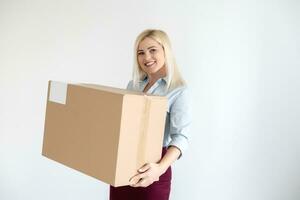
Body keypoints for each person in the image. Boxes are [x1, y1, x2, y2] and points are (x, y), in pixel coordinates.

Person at [109, 29, 192, 200]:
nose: (146, 57)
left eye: (152, 50)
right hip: (124, 166)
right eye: (141, 53)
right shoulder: (134, 85)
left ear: (165, 51)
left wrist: (159, 169)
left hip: (154, 168)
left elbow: (181, 137)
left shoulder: (178, 90)